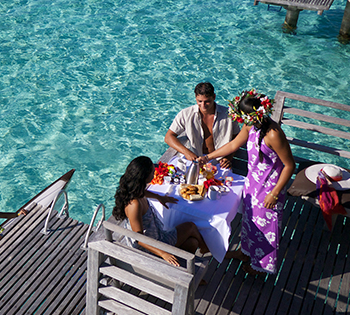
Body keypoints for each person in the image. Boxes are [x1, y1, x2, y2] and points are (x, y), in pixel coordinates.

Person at [198, 89, 295, 276]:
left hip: (270, 187)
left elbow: (289, 165)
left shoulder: (273, 134)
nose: (242, 121)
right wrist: (208, 157)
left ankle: (261, 266)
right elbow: (233, 145)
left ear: (256, 114)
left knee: (266, 227)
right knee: (250, 221)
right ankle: (246, 253)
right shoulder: (251, 125)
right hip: (252, 183)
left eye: (244, 117)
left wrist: (274, 193)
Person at [113, 156, 210, 266]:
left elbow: (143, 193)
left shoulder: (136, 191)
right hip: (149, 249)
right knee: (191, 228)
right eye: (152, 171)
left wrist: (160, 197)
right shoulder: (134, 204)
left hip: (158, 237)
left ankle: (187, 266)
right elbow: (137, 238)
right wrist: (163, 253)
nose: (154, 172)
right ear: (144, 176)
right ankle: (203, 250)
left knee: (193, 243)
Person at [165, 82, 239, 169]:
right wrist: (186, 152)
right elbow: (168, 137)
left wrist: (228, 158)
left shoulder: (228, 114)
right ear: (196, 98)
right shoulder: (186, 114)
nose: (203, 105)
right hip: (195, 159)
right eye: (199, 101)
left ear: (214, 97)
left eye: (207, 101)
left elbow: (237, 138)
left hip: (220, 161)